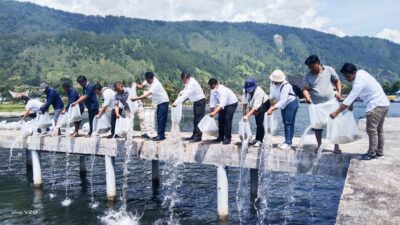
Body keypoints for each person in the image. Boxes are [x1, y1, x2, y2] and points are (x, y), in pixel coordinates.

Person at [330, 63, 390, 160]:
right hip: (384, 104)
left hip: (375, 106)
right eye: (345, 76)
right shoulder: (362, 73)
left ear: (354, 73)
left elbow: (350, 98)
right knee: (379, 130)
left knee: (371, 130)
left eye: (348, 76)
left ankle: (371, 153)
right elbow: (355, 93)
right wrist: (351, 104)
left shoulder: (358, 81)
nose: (347, 78)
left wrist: (336, 112)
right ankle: (379, 152)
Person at [303, 55, 342, 154]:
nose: (311, 69)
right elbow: (305, 90)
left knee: (334, 125)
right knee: (317, 126)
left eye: (313, 66)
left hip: (331, 103)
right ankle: (319, 145)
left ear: (318, 63)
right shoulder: (307, 75)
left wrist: (339, 92)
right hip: (317, 105)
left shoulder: (329, 70)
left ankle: (336, 146)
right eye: (309, 67)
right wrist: (307, 97)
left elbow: (337, 81)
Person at [267, 70, 299, 150]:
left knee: (289, 122)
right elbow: (271, 96)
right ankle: (286, 141)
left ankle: (288, 143)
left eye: (275, 81)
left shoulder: (286, 85)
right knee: (285, 122)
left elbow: (282, 101)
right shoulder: (272, 84)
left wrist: (272, 109)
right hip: (283, 104)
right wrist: (271, 105)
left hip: (291, 103)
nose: (273, 82)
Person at [132, 72, 169, 141]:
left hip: (163, 101)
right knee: (159, 119)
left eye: (149, 81)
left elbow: (146, 95)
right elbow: (142, 86)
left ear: (152, 78)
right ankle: (160, 135)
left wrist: (136, 98)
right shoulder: (147, 80)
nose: (148, 82)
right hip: (159, 103)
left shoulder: (156, 84)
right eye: (147, 80)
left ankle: (161, 136)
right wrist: (135, 85)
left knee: (161, 119)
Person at [172, 71, 206, 143]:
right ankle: (194, 135)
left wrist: (176, 102)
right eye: (183, 80)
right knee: (195, 120)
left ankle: (197, 137)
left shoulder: (192, 83)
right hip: (196, 102)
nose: (184, 81)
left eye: (185, 80)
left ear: (189, 78)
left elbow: (186, 94)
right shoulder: (188, 83)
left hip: (200, 101)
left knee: (198, 120)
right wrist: (181, 92)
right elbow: (185, 90)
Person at [208, 78, 238, 145]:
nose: (211, 88)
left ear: (216, 84)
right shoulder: (213, 90)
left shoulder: (222, 90)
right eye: (210, 87)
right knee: (220, 119)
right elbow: (212, 103)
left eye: (212, 87)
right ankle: (221, 137)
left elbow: (221, 105)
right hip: (224, 104)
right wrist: (211, 112)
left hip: (232, 103)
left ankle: (228, 138)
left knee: (227, 119)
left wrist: (214, 113)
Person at [241, 77, 270, 147]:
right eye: (248, 88)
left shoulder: (259, 92)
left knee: (260, 121)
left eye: (250, 88)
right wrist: (244, 113)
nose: (249, 89)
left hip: (264, 103)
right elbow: (244, 101)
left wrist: (247, 116)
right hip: (254, 104)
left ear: (254, 86)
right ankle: (257, 138)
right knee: (257, 122)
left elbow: (256, 107)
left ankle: (260, 140)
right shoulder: (245, 90)